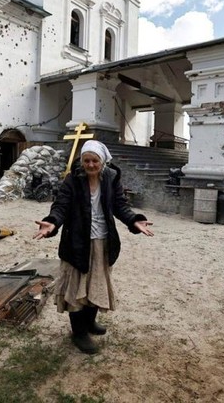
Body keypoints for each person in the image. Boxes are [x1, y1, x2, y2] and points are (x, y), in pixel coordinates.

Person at [33, 140, 154, 354]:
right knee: (78, 287)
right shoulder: (73, 179)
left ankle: (90, 323)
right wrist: (52, 222)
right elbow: (61, 205)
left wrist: (134, 220)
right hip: (77, 241)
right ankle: (78, 333)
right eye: (86, 160)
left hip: (103, 240)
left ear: (103, 161)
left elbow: (120, 205)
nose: (90, 165)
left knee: (96, 284)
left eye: (94, 160)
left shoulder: (111, 177)